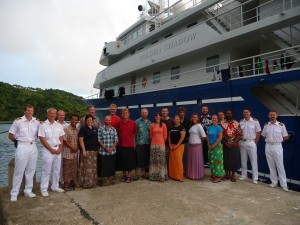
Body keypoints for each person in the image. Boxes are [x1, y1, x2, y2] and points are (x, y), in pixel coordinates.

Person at [9, 104, 40, 202]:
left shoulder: (37, 122)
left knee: (31, 170)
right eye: (28, 110)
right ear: (24, 111)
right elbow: (11, 135)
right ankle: (14, 193)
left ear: (33, 111)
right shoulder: (18, 121)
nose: (30, 112)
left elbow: (41, 134)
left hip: (33, 146)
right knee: (19, 170)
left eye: (31, 110)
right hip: (22, 146)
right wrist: (16, 142)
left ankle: (28, 190)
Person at [39, 108, 65, 197]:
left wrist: (60, 148)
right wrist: (50, 149)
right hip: (48, 150)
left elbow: (61, 137)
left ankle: (55, 186)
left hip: (57, 149)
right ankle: (44, 189)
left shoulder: (59, 125)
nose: (52, 115)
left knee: (57, 169)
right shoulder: (43, 125)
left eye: (54, 113)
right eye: (51, 113)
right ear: (47, 114)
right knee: (46, 170)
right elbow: (42, 139)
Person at [261, 110, 289, 191]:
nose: (272, 116)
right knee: (271, 165)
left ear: (276, 116)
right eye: (271, 115)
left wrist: (278, 141)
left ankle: (284, 185)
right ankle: (274, 182)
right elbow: (264, 135)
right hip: (268, 146)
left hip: (277, 146)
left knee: (280, 166)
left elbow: (285, 137)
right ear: (268, 116)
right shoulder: (266, 125)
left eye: (274, 115)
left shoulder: (281, 125)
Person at [239, 108, 261, 184]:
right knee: (243, 160)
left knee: (253, 161)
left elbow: (258, 132)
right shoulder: (241, 122)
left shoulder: (255, 121)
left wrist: (255, 142)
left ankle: (255, 178)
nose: (245, 113)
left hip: (251, 142)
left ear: (250, 112)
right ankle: (244, 175)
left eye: (247, 112)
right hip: (243, 142)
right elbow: (239, 132)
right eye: (244, 112)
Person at [220, 110, 242, 182]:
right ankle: (227, 174)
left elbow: (239, 134)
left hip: (234, 145)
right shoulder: (221, 123)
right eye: (227, 113)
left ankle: (233, 175)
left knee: (234, 160)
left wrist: (233, 143)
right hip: (224, 144)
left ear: (232, 114)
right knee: (225, 160)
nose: (228, 114)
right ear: (225, 114)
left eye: (230, 113)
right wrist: (225, 143)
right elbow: (220, 135)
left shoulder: (236, 123)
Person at [78, 115, 99, 188]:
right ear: (85, 121)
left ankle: (92, 182)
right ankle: (86, 183)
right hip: (86, 150)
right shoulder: (83, 129)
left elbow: (97, 139)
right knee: (86, 168)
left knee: (93, 168)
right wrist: (83, 150)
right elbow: (81, 140)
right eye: (88, 120)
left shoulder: (95, 129)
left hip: (94, 151)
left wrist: (97, 149)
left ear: (93, 120)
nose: (89, 121)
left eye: (91, 120)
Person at [116, 108, 137, 183]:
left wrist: (134, 143)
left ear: (129, 114)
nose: (125, 114)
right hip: (121, 144)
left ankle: (129, 175)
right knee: (122, 161)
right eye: (123, 113)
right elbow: (117, 132)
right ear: (122, 114)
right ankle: (124, 175)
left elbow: (134, 133)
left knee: (129, 161)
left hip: (129, 144)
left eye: (126, 113)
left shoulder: (133, 123)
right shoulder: (119, 123)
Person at [98, 116, 118, 186]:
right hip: (103, 151)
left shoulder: (113, 129)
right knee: (103, 166)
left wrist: (112, 148)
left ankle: (110, 179)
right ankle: (103, 180)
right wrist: (105, 148)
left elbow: (116, 140)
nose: (108, 121)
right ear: (104, 120)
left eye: (109, 120)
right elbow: (99, 140)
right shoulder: (100, 129)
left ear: (110, 121)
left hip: (112, 151)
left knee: (110, 166)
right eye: (107, 120)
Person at [62, 114, 80, 191]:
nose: (74, 121)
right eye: (73, 120)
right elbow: (64, 140)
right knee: (67, 168)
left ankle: (72, 182)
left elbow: (79, 140)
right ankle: (66, 184)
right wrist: (72, 147)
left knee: (74, 168)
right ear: (70, 120)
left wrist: (77, 148)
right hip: (67, 152)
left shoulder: (77, 130)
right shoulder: (66, 129)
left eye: (76, 120)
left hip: (75, 152)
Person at [186, 113, 206, 180]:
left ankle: (197, 175)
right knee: (192, 161)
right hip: (191, 145)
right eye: (193, 117)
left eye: (195, 117)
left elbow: (204, 136)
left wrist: (198, 140)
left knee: (196, 161)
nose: (194, 118)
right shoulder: (192, 126)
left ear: (198, 118)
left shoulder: (199, 126)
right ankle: (191, 174)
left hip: (196, 145)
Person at [149, 112, 168, 182]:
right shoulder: (152, 125)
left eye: (159, 116)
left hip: (161, 145)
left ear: (161, 117)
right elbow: (150, 135)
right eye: (156, 116)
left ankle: (162, 176)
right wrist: (155, 141)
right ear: (154, 117)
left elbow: (165, 135)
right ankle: (154, 176)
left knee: (161, 161)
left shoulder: (163, 125)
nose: (157, 118)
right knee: (154, 161)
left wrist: (162, 141)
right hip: (153, 145)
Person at [135, 108, 151, 179]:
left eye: (145, 112)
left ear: (147, 113)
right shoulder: (137, 122)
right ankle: (136, 174)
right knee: (137, 158)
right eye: (143, 112)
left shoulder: (150, 123)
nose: (144, 114)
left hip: (147, 143)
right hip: (139, 143)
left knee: (145, 158)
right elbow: (134, 133)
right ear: (141, 113)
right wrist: (134, 143)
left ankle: (144, 173)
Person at [169, 115, 186, 182]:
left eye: (177, 119)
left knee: (178, 161)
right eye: (175, 119)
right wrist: (170, 145)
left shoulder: (182, 127)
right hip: (172, 146)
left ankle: (180, 177)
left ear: (180, 120)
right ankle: (173, 175)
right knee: (172, 161)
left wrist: (177, 146)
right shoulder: (171, 127)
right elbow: (169, 137)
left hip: (179, 146)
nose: (176, 120)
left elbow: (182, 137)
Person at [207, 115, 224, 183]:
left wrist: (214, 145)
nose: (214, 119)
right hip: (210, 146)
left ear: (217, 120)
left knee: (217, 161)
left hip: (217, 146)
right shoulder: (209, 128)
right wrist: (208, 144)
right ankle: (214, 175)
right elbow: (208, 137)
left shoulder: (219, 128)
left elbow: (220, 138)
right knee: (211, 161)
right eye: (213, 118)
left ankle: (218, 177)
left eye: (215, 118)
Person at [56, 110, 69, 184]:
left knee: (63, 164)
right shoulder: (54, 124)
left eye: (63, 115)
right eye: (60, 115)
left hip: (65, 147)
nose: (61, 116)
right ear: (57, 116)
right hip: (56, 146)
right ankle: (56, 180)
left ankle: (62, 179)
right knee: (56, 165)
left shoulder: (67, 125)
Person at [161, 107, 174, 172]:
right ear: (161, 112)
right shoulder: (159, 120)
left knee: (169, 158)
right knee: (162, 158)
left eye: (166, 111)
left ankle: (169, 171)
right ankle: (163, 171)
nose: (164, 112)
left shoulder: (171, 120)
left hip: (170, 142)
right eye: (163, 111)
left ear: (168, 112)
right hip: (161, 142)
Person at [177, 107, 189, 172]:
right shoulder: (176, 120)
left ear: (184, 113)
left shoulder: (187, 121)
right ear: (178, 113)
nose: (182, 113)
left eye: (183, 112)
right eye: (180, 112)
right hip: (178, 142)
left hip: (185, 142)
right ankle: (179, 170)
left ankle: (185, 170)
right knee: (179, 157)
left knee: (185, 157)